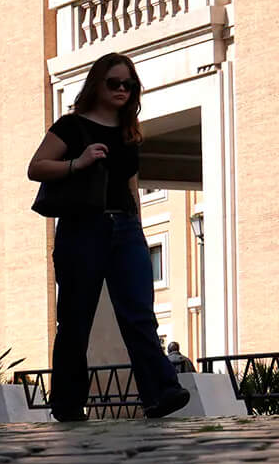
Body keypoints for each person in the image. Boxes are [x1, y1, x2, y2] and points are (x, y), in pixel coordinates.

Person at [29, 52, 191, 421]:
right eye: (114, 83)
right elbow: (35, 167)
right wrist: (78, 162)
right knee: (75, 318)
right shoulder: (71, 126)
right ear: (97, 84)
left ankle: (161, 393)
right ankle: (68, 404)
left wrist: (138, 224)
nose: (122, 89)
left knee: (138, 314)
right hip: (83, 228)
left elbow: (131, 184)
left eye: (128, 84)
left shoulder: (128, 130)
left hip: (126, 228)